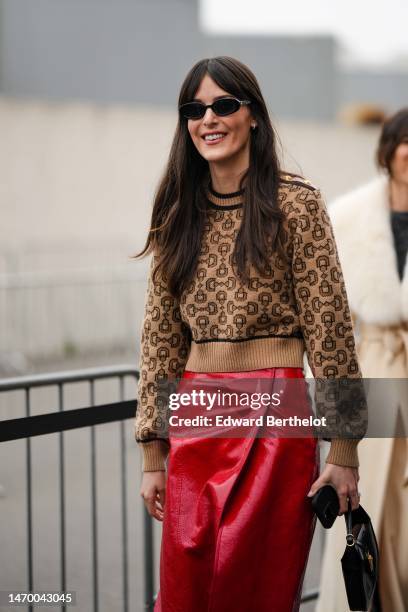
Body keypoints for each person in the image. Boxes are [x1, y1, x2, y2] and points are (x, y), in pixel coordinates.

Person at [134, 56, 364, 612]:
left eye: (224, 104)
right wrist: (153, 455)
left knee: (255, 586)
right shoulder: (176, 212)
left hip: (275, 417)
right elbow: (160, 339)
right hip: (194, 422)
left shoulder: (297, 204)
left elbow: (330, 330)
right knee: (185, 591)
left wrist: (345, 449)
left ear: (254, 115)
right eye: (194, 109)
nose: (207, 118)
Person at [316, 109, 408, 612]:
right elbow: (327, 319)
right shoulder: (348, 216)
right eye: (406, 142)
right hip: (372, 372)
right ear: (389, 147)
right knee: (365, 504)